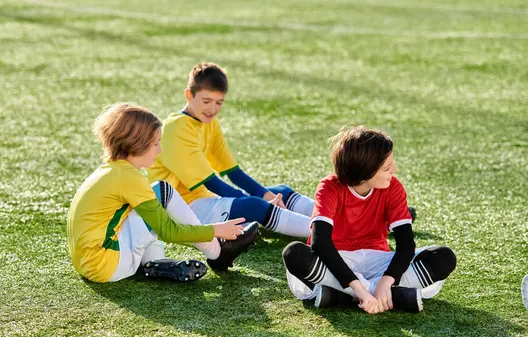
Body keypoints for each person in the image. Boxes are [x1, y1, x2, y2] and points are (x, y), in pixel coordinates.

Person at [67, 103, 258, 284]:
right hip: (106, 265)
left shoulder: (110, 170)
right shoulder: (129, 177)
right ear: (137, 143)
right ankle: (218, 253)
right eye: (155, 143)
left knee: (150, 208)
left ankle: (157, 263)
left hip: (87, 263)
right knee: (163, 192)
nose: (159, 150)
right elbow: (168, 231)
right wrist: (215, 230)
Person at [282, 126, 456, 314]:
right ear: (365, 173)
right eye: (387, 167)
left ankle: (343, 296)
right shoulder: (329, 187)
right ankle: (387, 297)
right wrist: (359, 289)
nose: (395, 170)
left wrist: (386, 282)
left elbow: (406, 245)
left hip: (377, 259)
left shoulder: (393, 188)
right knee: (294, 253)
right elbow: (320, 243)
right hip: (336, 259)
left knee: (443, 257)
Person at [148, 62, 314, 242]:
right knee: (254, 205)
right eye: (206, 101)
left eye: (219, 102)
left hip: (206, 199)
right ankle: (328, 235)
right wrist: (260, 202)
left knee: (282, 191)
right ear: (189, 95)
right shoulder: (176, 128)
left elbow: (232, 172)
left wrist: (266, 195)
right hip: (182, 208)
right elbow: (212, 183)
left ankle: (335, 220)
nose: (212, 109)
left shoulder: (209, 123)